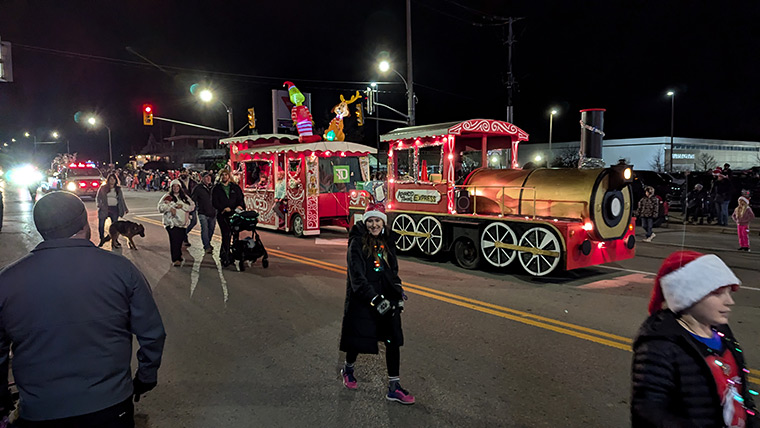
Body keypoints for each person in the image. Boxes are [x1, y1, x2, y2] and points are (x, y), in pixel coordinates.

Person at [0, 191, 166, 427]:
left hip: (40, 410)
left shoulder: (7, 280)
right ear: (83, 222)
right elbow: (152, 333)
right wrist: (146, 377)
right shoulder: (121, 270)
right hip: (110, 405)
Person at [631, 251, 759, 427]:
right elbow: (649, 415)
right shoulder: (660, 346)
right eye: (718, 293)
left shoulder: (722, 332)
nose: (730, 301)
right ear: (688, 296)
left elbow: (742, 395)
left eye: (729, 292)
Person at [339, 203, 415, 405]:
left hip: (386, 297)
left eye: (378, 220)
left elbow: (393, 271)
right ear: (366, 222)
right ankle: (348, 368)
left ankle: (394, 387)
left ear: (383, 222)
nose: (374, 225)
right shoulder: (356, 244)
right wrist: (374, 299)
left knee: (392, 340)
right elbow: (357, 277)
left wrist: (398, 291)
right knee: (359, 337)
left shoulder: (387, 242)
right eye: (370, 221)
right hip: (363, 297)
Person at [158, 179, 195, 267]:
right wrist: (170, 208)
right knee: (174, 240)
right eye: (173, 186)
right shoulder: (167, 196)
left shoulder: (184, 197)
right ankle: (175, 259)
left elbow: (192, 206)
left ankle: (179, 255)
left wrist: (183, 206)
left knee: (180, 240)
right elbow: (160, 207)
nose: (175, 188)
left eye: (177, 186)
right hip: (171, 223)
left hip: (182, 224)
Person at [212, 169, 244, 266]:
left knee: (235, 234)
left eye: (226, 174)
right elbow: (214, 202)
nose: (224, 176)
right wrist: (223, 208)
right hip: (222, 215)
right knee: (226, 234)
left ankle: (234, 254)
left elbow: (241, 199)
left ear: (229, 176)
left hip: (234, 214)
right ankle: (224, 256)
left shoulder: (235, 187)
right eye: (222, 175)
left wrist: (240, 206)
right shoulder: (217, 188)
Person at [96, 172, 129, 243]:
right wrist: (99, 205)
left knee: (116, 226)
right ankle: (102, 238)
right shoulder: (103, 188)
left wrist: (125, 208)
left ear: (116, 180)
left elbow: (121, 199)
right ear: (108, 180)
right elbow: (98, 197)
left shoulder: (118, 189)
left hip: (114, 209)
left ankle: (115, 240)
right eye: (110, 179)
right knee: (101, 225)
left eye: (113, 179)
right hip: (105, 208)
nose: (112, 180)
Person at [191, 171, 217, 254]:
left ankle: (208, 243)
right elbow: (193, 200)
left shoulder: (213, 187)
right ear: (202, 178)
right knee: (205, 229)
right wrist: (193, 210)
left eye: (209, 177)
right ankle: (206, 246)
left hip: (213, 212)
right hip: (203, 212)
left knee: (211, 229)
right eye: (206, 177)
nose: (208, 178)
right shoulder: (198, 188)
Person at [178, 170, 198, 247]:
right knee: (184, 223)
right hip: (182, 205)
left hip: (192, 205)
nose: (183, 174)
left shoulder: (193, 183)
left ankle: (183, 235)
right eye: (182, 172)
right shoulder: (177, 183)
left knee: (194, 221)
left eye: (185, 172)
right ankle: (184, 238)